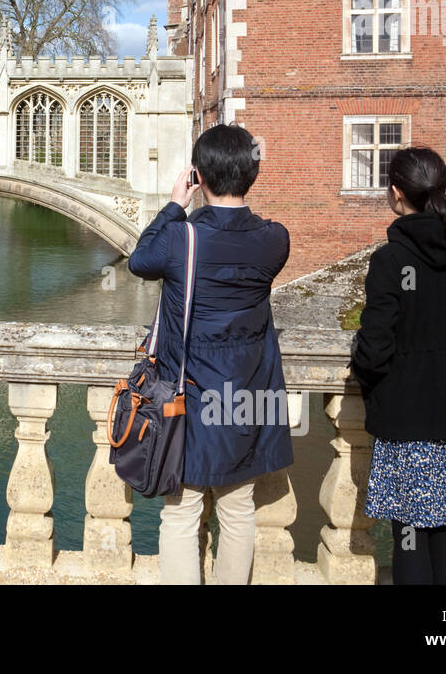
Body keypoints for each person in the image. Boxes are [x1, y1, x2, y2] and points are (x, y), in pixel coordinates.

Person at [127, 123, 291, 585]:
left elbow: (140, 259)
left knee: (182, 512)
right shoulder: (275, 238)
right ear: (252, 174)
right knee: (239, 511)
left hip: (192, 389)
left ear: (198, 175)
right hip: (249, 389)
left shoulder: (183, 239)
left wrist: (176, 204)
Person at [350, 146, 446, 585]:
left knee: (408, 533)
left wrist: (374, 380)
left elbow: (374, 349)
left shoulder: (392, 260)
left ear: (396, 194)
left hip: (408, 417)